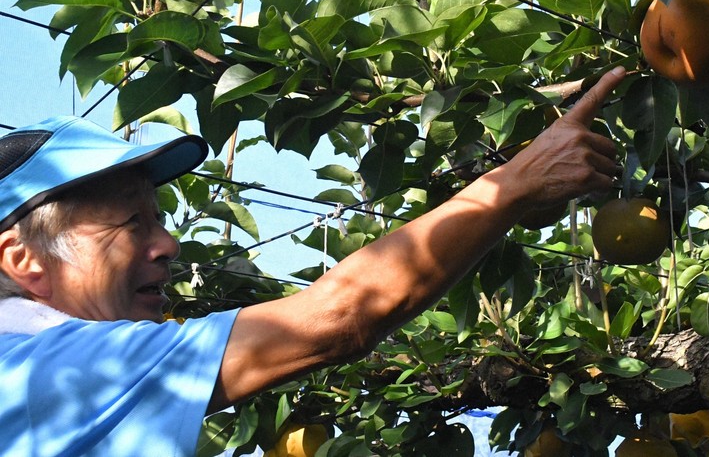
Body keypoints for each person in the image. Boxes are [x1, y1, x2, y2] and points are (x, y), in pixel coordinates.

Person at [0, 67, 626, 456]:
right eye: (132, 224)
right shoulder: (53, 371)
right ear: (22, 259)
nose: (167, 246)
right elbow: (338, 317)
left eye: (161, 221)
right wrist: (511, 186)